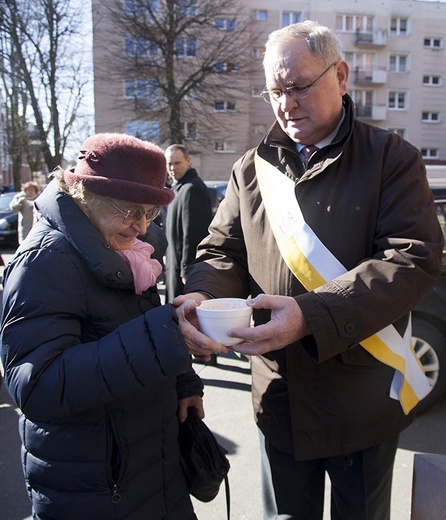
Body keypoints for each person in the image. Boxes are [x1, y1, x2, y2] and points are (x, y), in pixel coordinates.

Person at [175, 21, 444, 520]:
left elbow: (413, 259)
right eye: (275, 90)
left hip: (363, 402)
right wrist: (201, 296)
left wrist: (309, 315)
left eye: (298, 86)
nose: (286, 103)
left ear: (340, 76)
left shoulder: (392, 159)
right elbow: (222, 253)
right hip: (281, 401)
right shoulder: (250, 168)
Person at [0, 133, 227, 520]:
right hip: (96, 485)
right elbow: (36, 386)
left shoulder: (126, 251)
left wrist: (184, 382)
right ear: (86, 196)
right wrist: (164, 336)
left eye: (149, 213)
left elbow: (138, 329)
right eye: (131, 211)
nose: (141, 227)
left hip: (151, 464)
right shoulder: (44, 261)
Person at [164, 144, 212, 302]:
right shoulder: (179, 189)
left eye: (177, 163)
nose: (172, 168)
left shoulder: (192, 189)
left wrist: (187, 270)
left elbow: (194, 235)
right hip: (175, 266)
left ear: (188, 160)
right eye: (169, 164)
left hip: (184, 272)